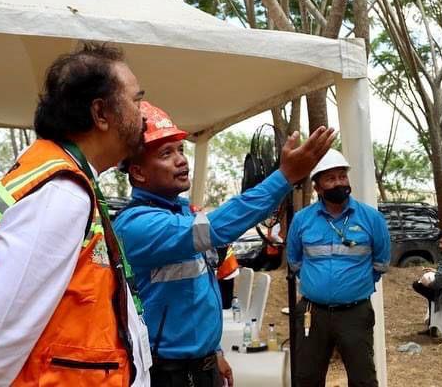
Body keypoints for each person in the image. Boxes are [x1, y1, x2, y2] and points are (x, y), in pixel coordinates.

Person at [0, 43, 151, 386]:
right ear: (101, 114)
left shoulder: (68, 179)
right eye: (136, 100)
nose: (144, 114)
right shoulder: (59, 193)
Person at [114, 102, 335, 387]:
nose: (181, 160)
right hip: (168, 373)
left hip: (202, 365)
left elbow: (197, 293)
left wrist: (214, 351)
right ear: (139, 173)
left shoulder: (182, 212)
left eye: (181, 150)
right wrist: (284, 177)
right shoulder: (138, 225)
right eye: (166, 154)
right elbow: (217, 228)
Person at [287, 149, 391, 387]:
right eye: (331, 179)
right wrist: (319, 286)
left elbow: (381, 263)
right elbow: (295, 261)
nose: (339, 183)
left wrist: (352, 287)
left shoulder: (372, 219)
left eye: (342, 176)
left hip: (355, 313)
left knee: (363, 379)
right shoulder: (302, 220)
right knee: (306, 378)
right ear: (318, 188)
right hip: (312, 314)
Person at [412, 230, 442, 333]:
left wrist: (427, 282)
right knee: (431, 295)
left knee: (418, 285)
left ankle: (433, 325)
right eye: (439, 243)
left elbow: (437, 285)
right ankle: (432, 325)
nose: (440, 245)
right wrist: (437, 271)